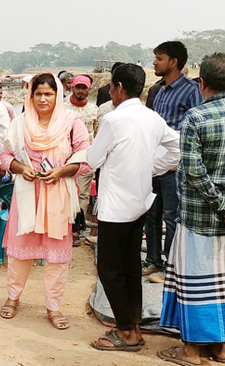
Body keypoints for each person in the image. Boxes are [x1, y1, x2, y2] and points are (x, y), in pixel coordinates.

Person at [87, 64, 179, 352]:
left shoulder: (114, 120)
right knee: (129, 268)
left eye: (112, 87)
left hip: (116, 207)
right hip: (140, 202)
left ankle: (126, 331)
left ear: (118, 88)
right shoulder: (153, 118)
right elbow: (176, 148)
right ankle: (133, 326)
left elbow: (92, 158)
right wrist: (152, 168)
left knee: (110, 270)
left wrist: (148, 167)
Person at [0, 72, 91, 330]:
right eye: (37, 93)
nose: (42, 99)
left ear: (58, 95)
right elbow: (5, 156)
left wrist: (61, 172)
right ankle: (13, 298)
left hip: (58, 194)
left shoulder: (72, 122)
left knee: (56, 256)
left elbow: (85, 156)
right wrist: (19, 168)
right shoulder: (19, 123)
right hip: (28, 194)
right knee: (19, 252)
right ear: (31, 95)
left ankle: (53, 306)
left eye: (48, 93)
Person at [158, 53, 225, 365]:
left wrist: (219, 203)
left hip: (200, 216)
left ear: (202, 83)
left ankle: (193, 350)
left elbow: (193, 172)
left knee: (196, 281)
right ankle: (221, 348)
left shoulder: (196, 119)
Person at [144, 41, 202, 282]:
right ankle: (153, 261)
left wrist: (182, 162)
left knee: (172, 216)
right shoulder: (158, 91)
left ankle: (171, 265)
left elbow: (196, 129)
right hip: (154, 164)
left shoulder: (191, 91)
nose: (155, 63)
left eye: (159, 58)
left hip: (174, 167)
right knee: (151, 214)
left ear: (174, 62)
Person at [65, 75, 98, 245]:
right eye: (78, 87)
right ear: (72, 88)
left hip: (86, 159)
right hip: (65, 159)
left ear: (89, 89)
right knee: (65, 193)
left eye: (83, 88)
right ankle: (64, 227)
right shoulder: (62, 107)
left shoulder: (94, 110)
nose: (80, 91)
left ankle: (76, 229)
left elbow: (97, 134)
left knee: (83, 195)